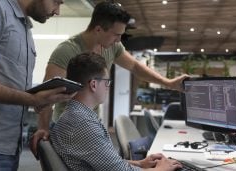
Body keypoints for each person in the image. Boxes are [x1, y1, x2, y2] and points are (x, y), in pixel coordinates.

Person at [30, 1, 189, 155]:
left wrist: (168, 83)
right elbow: (47, 94)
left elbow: (134, 66)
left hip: (92, 123)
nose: (119, 40)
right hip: (71, 128)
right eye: (116, 35)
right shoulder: (67, 51)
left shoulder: (112, 46)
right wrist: (43, 128)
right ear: (98, 29)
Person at [50, 52, 183, 171]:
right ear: (94, 85)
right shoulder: (83, 123)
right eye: (107, 82)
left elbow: (108, 163)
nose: (108, 87)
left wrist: (140, 164)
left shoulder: (76, 115)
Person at [0, 0, 75, 170]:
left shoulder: (23, 26)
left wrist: (40, 99)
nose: (58, 11)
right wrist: (31, 99)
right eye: (57, 2)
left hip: (8, 148)